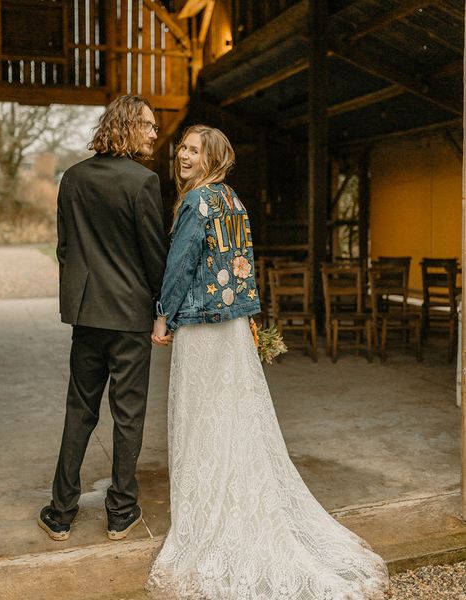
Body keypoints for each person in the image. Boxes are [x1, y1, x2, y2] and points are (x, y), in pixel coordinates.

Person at [145, 124, 390, 599]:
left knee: (200, 418)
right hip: (233, 326)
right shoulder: (234, 201)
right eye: (182, 150)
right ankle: (237, 498)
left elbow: (179, 266)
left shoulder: (197, 203)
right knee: (234, 417)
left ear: (212, 157)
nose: (184, 156)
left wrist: (162, 316)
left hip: (202, 326)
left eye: (194, 151)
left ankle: (210, 515)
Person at [38, 95, 167, 542]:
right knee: (128, 415)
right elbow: (154, 255)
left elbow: (65, 248)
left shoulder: (72, 178)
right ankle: (121, 512)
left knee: (80, 411)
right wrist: (161, 308)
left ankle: (60, 512)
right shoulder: (144, 182)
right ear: (129, 126)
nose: (155, 133)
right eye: (149, 125)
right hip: (130, 316)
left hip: (87, 315)